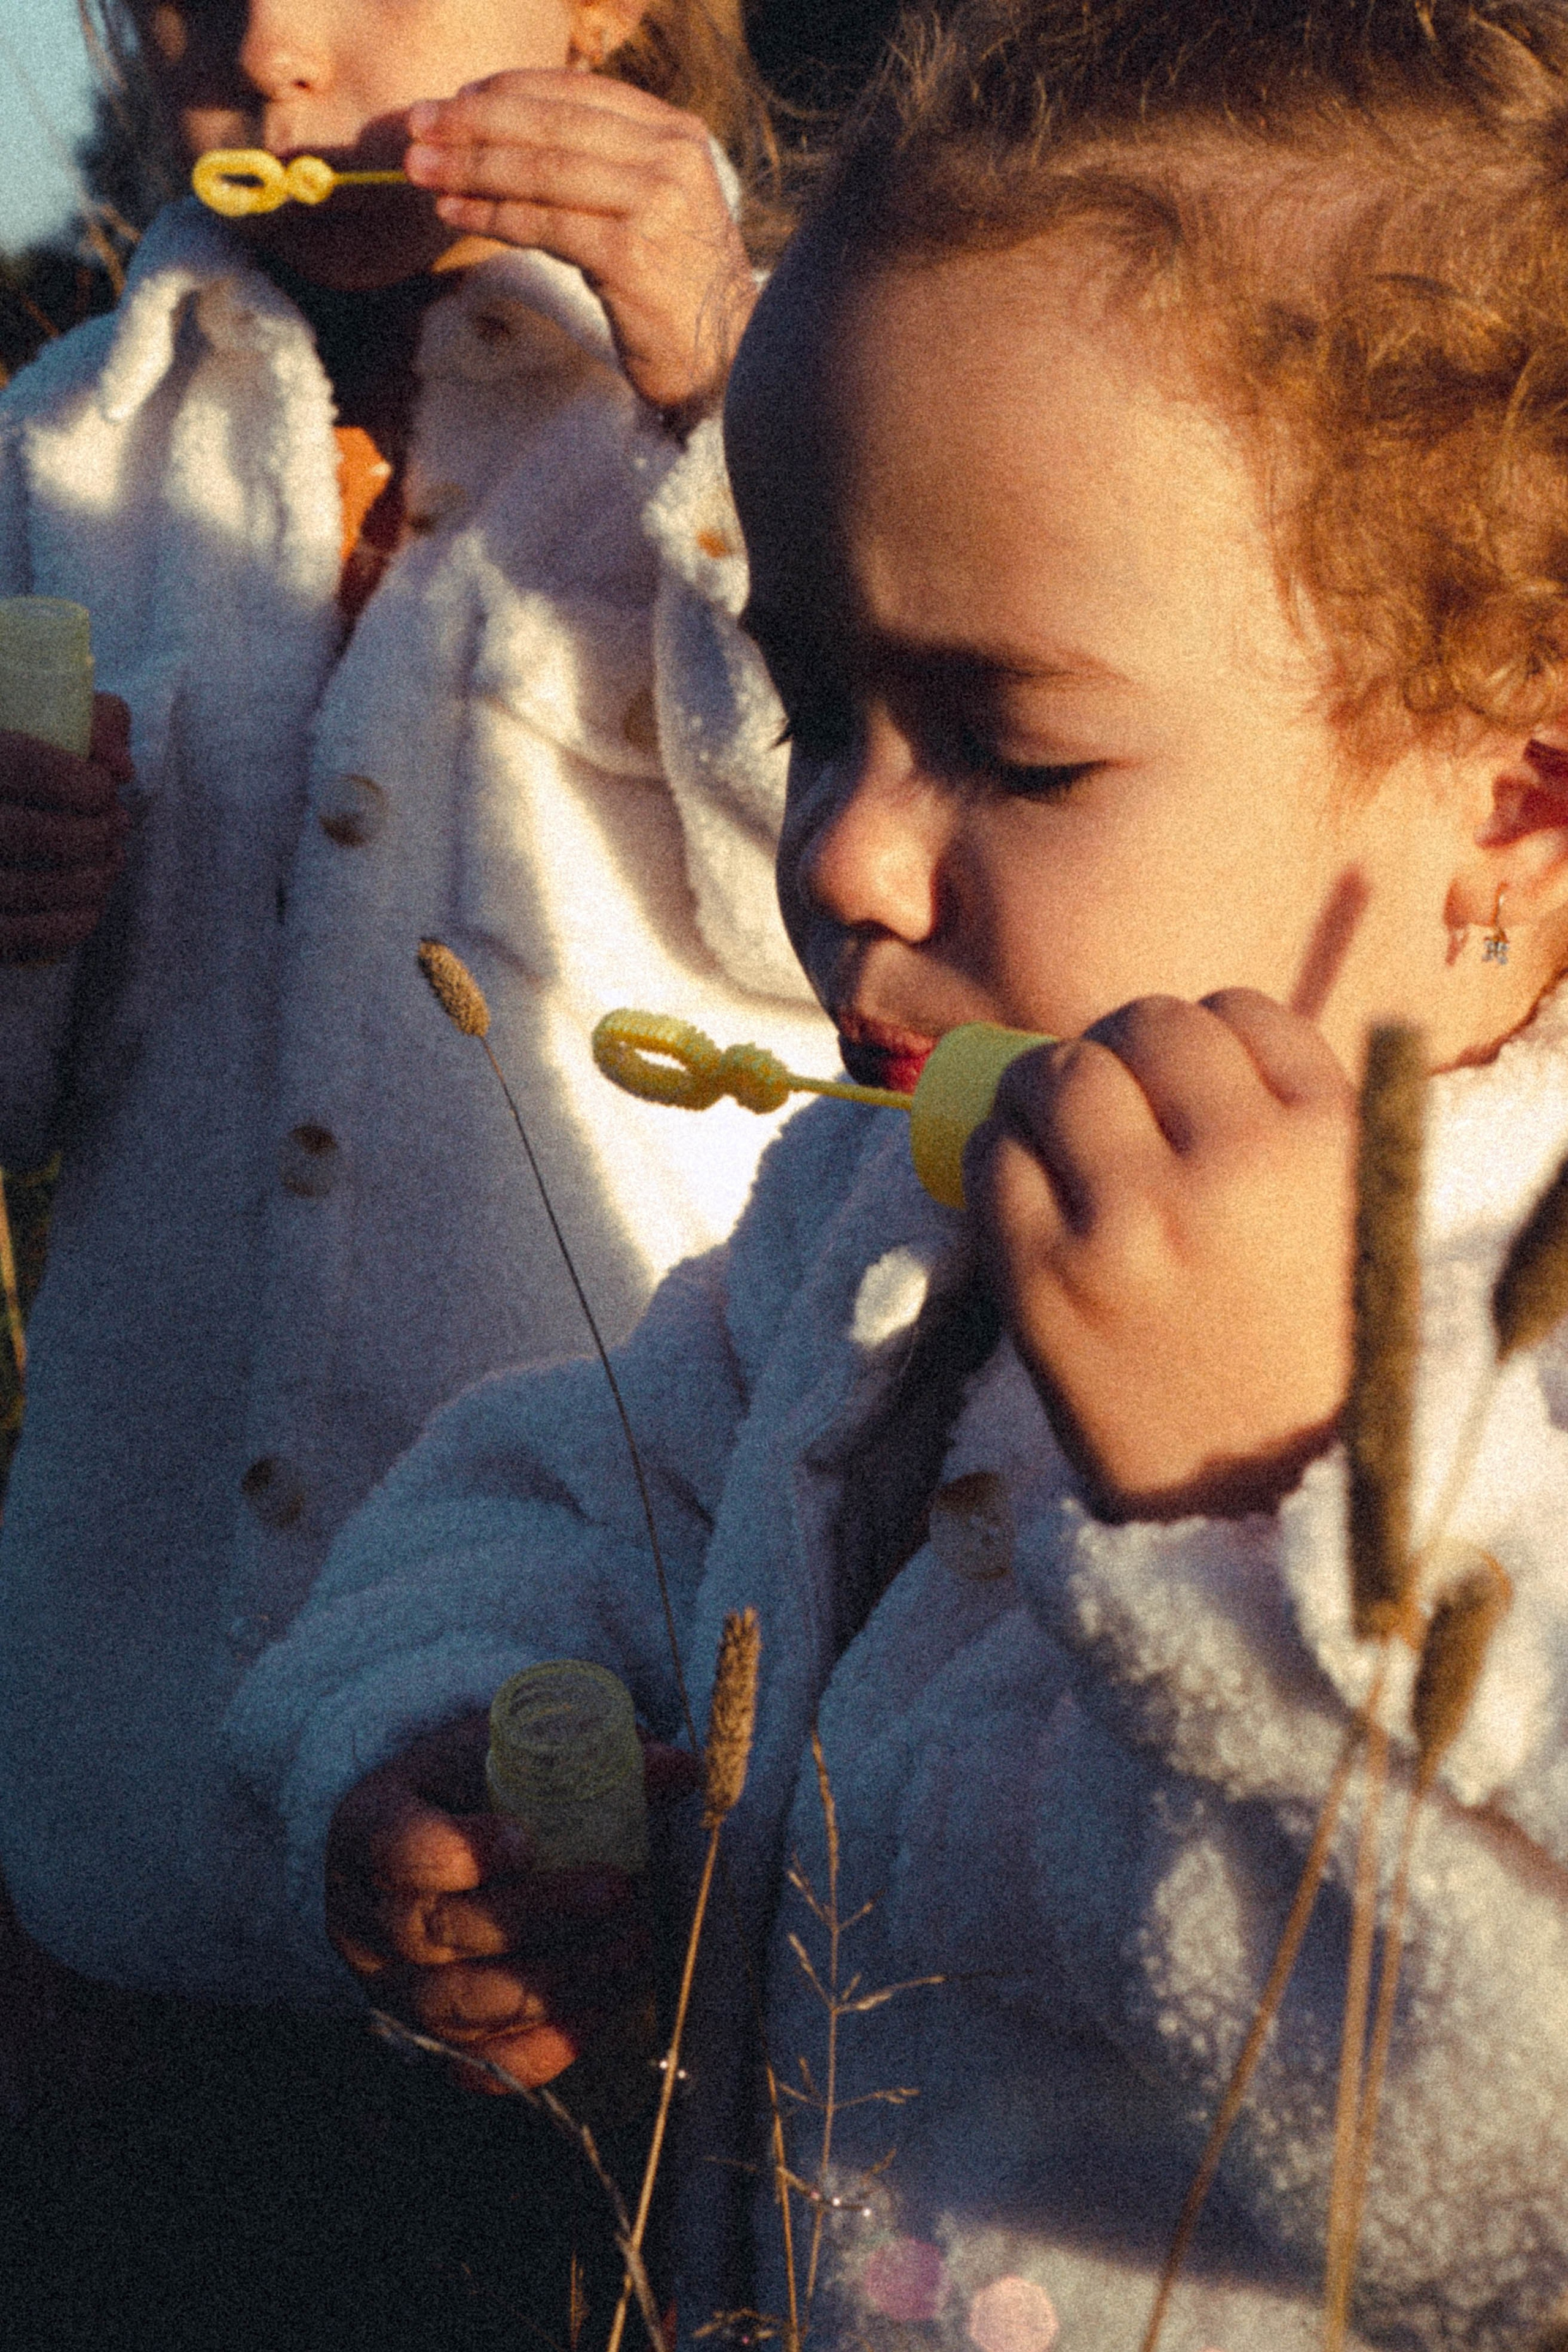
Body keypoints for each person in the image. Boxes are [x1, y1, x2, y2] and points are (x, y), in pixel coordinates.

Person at [230, 0, 1568, 2344]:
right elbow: (551, 1487)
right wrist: (455, 1737)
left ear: (1511, 814)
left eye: (1010, 745)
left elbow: (1514, 2182)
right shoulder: (879, 1223)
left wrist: (1282, 1493)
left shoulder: (1512, 1343)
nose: (841, 847)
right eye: (821, 700)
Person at [0, 0, 831, 2049]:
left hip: (610, 1728)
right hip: (133, 1803)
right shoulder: (54, 445)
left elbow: (844, 910)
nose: (272, 54)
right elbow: (35, 1113)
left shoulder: (831, 377)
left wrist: (731, 387)